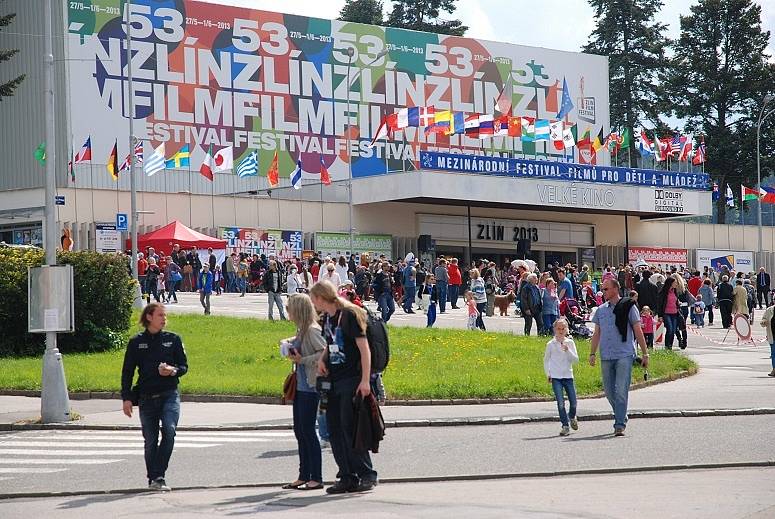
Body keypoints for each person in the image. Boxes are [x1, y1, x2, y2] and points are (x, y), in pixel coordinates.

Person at [309, 281, 378, 494]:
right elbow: (331, 343)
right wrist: (323, 358)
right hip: (334, 379)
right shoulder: (328, 318)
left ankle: (366, 474)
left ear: (321, 298)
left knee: (350, 428)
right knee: (334, 429)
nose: (313, 304)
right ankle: (346, 475)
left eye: (314, 299)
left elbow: (364, 349)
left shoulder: (348, 315)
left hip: (351, 379)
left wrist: (365, 380)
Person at [121, 303, 188, 491]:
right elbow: (127, 372)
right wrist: (127, 398)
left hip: (169, 394)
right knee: (150, 440)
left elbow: (183, 366)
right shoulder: (136, 342)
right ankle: (154, 478)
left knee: (169, 430)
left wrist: (172, 370)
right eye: (160, 315)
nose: (164, 319)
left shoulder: (173, 339)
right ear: (149, 317)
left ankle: (159, 474)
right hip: (146, 397)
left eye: (165, 316)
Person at [589, 279, 649, 437]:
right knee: (609, 392)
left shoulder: (629, 306)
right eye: (602, 289)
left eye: (606, 289)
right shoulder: (601, 310)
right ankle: (622, 414)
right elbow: (597, 333)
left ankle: (619, 424)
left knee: (621, 390)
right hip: (606, 355)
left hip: (624, 354)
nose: (603, 292)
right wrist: (592, 353)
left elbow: (637, 330)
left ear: (616, 289)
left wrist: (645, 353)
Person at [281, 294, 326, 491]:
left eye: (289, 307)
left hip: (310, 386)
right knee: (300, 431)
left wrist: (302, 360)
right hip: (301, 385)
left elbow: (324, 353)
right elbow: (299, 340)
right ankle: (303, 475)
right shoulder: (302, 329)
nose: (287, 311)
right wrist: (288, 343)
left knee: (308, 431)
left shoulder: (312, 330)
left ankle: (316, 477)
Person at [543, 318, 579, 436]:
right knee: (560, 403)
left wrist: (568, 351)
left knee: (573, 402)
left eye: (563, 328)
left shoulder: (570, 343)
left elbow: (576, 360)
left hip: (568, 375)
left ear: (566, 330)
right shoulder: (550, 344)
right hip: (556, 376)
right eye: (558, 328)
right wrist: (548, 374)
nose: (561, 331)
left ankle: (572, 416)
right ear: (554, 329)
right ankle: (565, 425)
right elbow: (546, 360)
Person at [656, 276, 681, 351]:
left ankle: (670, 346)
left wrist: (678, 305)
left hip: (675, 313)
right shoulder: (664, 292)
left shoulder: (675, 291)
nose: (676, 284)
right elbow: (659, 304)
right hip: (666, 313)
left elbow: (676, 301)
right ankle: (667, 347)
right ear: (670, 283)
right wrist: (660, 315)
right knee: (669, 329)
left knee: (673, 331)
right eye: (675, 283)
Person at [759, 302, 775, 377]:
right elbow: (764, 319)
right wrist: (763, 322)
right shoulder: (769, 310)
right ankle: (774, 369)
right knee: (773, 354)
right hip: (772, 335)